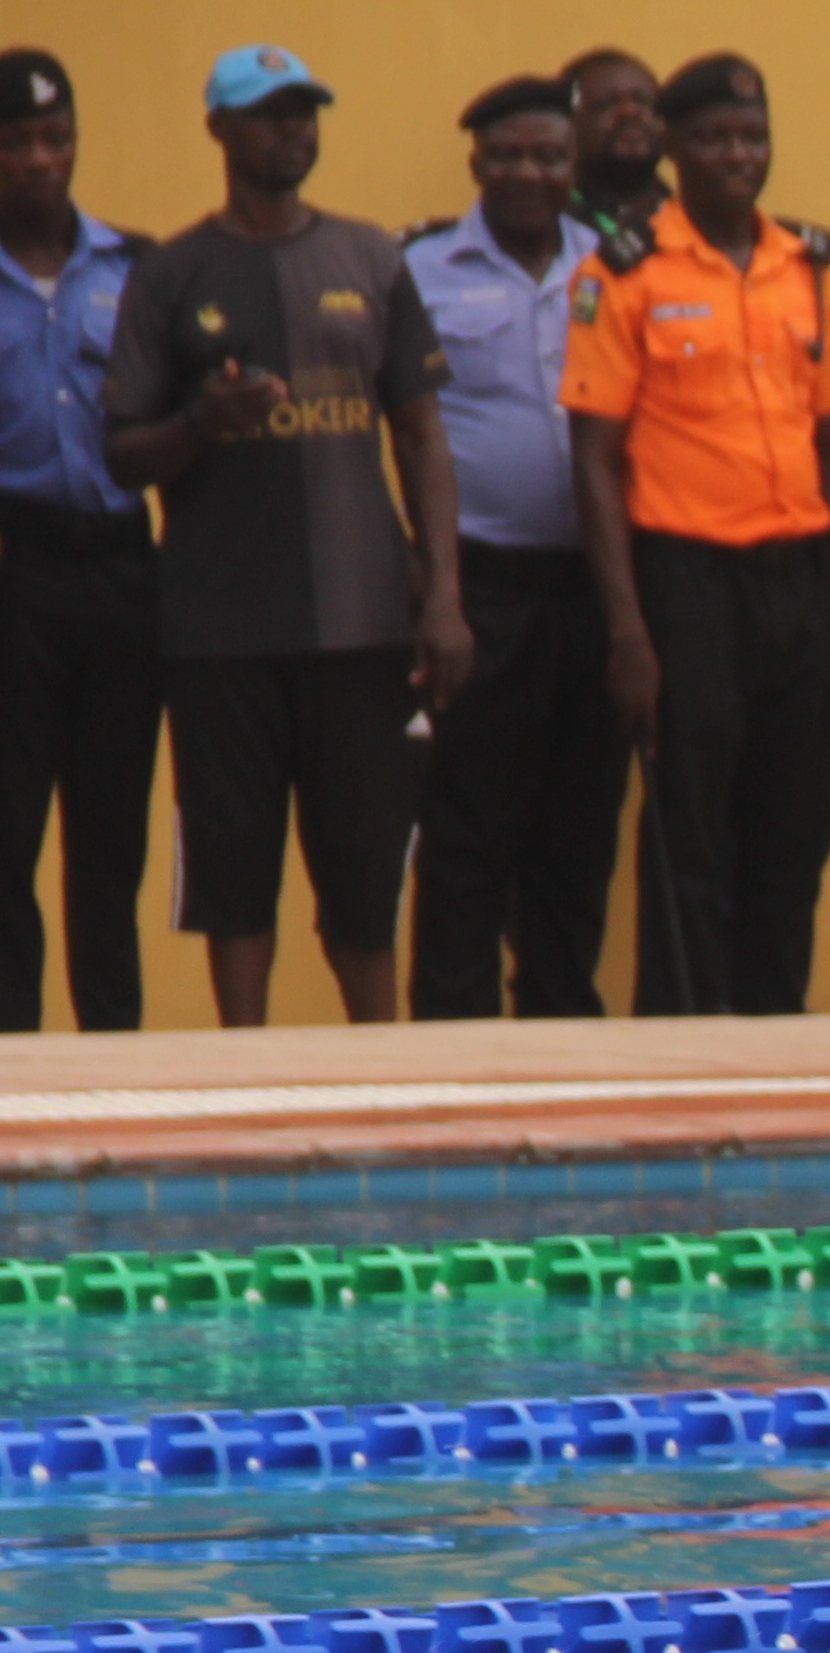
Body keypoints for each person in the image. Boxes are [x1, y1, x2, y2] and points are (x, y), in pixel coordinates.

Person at [105, 44, 461, 1029]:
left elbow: (423, 434)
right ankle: (240, 1074)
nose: (292, 131)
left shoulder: (371, 259)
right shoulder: (172, 275)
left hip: (362, 625)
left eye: (305, 112)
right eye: (268, 113)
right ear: (218, 128)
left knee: (362, 878)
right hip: (220, 633)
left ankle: (380, 1070)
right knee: (233, 879)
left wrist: (443, 595)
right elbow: (124, 453)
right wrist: (199, 428)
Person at [567, 55, 830, 1019]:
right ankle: (688, 1064)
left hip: (800, 585)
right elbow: (593, 460)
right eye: (714, 137)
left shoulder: (803, 266)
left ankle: (776, 1051)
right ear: (669, 145)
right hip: (687, 587)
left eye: (752, 135)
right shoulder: (622, 271)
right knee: (690, 845)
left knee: (796, 837)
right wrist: (627, 631)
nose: (738, 155)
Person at [408, 74, 626, 1019]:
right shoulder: (418, 270)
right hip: (482, 592)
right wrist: (437, 592)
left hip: (596, 592)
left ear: (576, 165)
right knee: (467, 841)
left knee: (577, 841)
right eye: (508, 155)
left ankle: (561, 1044)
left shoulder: (616, 266)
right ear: (476, 163)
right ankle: (451, 1063)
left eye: (548, 155)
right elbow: (402, 434)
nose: (529, 172)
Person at [0, 50, 154, 1035]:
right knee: (8, 842)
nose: (38, 160)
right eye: (15, 143)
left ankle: (117, 1057)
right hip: (15, 575)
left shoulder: (136, 266)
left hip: (124, 571)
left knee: (111, 845)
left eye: (54, 139)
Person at [563, 47, 668, 249]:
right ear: (568, 125)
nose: (630, 112)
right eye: (606, 104)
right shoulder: (550, 229)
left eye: (643, 101)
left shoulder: (694, 219)